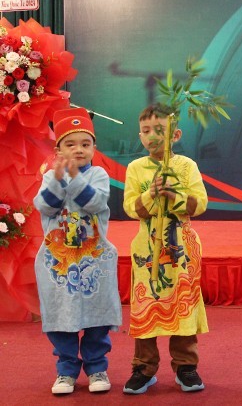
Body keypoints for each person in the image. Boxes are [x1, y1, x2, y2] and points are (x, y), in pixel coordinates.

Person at [34, 108, 122, 395]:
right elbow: (45, 206)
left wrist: (74, 177)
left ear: (94, 148)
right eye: (70, 144)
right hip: (59, 262)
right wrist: (60, 178)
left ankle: (97, 366)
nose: (79, 150)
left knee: (97, 316)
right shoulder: (51, 176)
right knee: (62, 316)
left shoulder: (97, 174)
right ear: (58, 149)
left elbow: (95, 203)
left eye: (85, 144)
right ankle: (66, 371)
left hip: (93, 260)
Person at [122, 104, 209, 394]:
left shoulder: (186, 166)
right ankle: (144, 368)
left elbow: (200, 204)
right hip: (147, 252)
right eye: (146, 131)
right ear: (140, 136)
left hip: (182, 251)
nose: (152, 136)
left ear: (176, 134)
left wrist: (176, 195)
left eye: (160, 130)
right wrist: (151, 193)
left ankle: (186, 366)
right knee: (147, 306)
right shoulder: (136, 168)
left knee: (181, 306)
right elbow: (131, 208)